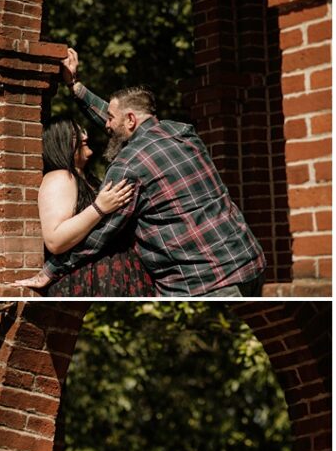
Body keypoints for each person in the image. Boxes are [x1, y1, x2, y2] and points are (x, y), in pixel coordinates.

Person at [18, 49, 266, 296]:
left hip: (204, 282)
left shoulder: (128, 165)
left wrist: (49, 271)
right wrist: (76, 88)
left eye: (110, 119)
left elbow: (101, 233)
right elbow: (124, 125)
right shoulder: (182, 133)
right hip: (248, 261)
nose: (105, 124)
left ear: (130, 121)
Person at [35, 117, 156, 295]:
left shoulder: (90, 179)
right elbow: (55, 240)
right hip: (89, 278)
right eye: (76, 133)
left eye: (83, 131)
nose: (85, 135)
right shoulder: (60, 177)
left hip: (123, 271)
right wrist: (99, 208)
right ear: (59, 142)